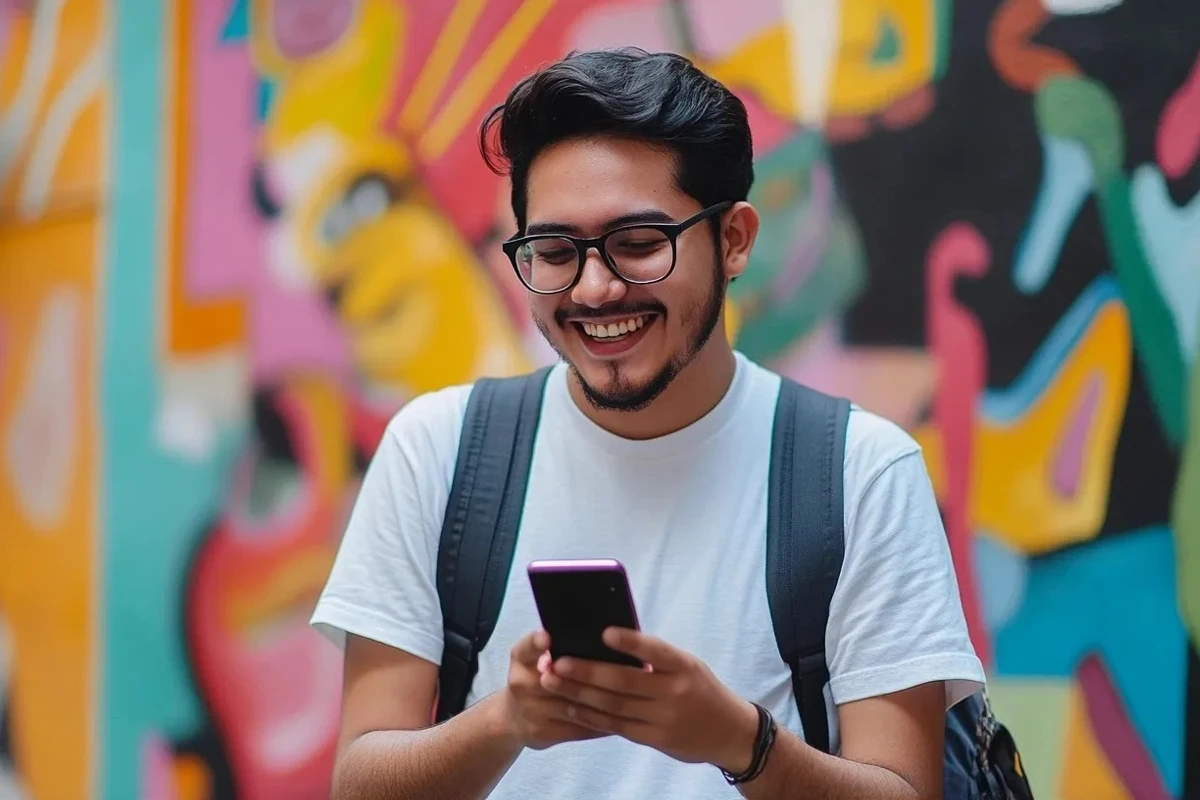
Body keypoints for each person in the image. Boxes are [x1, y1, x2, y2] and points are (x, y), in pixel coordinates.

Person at [310, 47, 986, 799]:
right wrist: (509, 720)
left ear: (734, 240)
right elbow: (361, 782)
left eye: (637, 245)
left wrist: (738, 739)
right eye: (555, 252)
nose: (594, 289)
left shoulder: (859, 471)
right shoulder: (438, 454)